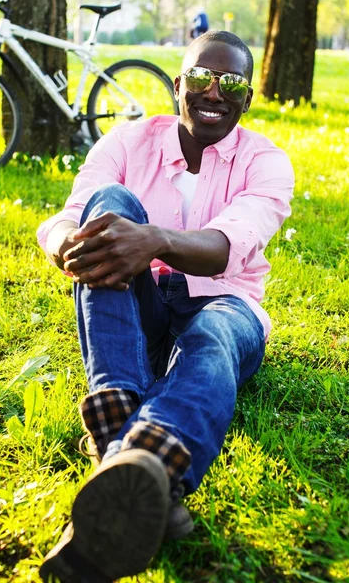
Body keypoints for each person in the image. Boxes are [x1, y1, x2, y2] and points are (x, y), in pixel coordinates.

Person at [37, 30, 294, 583]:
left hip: (227, 303)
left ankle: (124, 451)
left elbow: (227, 246)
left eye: (231, 84)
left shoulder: (266, 162)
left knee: (213, 336)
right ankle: (142, 456)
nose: (214, 93)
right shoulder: (127, 143)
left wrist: (153, 241)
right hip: (141, 309)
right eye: (201, 78)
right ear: (178, 85)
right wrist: (67, 244)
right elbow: (68, 216)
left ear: (247, 99)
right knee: (108, 209)